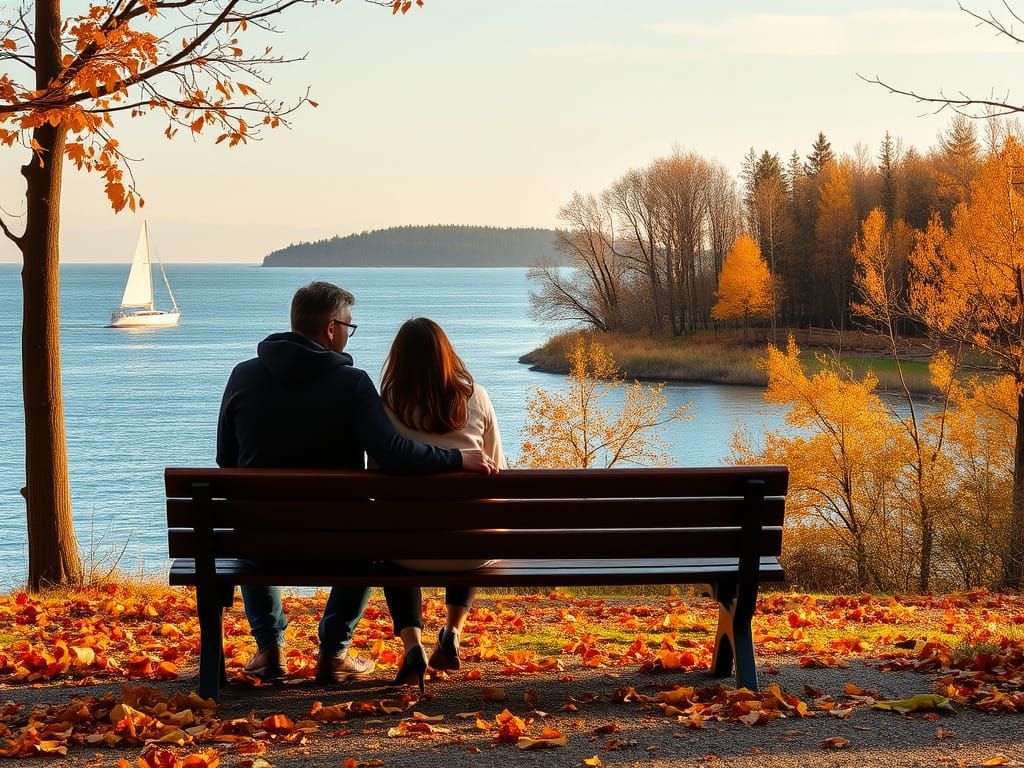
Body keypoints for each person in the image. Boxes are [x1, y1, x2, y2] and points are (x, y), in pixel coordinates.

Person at [216, 283, 495, 686]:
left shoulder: (243, 376)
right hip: (338, 542)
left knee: (255, 528)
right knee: (370, 546)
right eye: (349, 326)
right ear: (331, 329)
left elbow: (226, 458)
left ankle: (270, 649)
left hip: (259, 540)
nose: (349, 333)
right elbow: (394, 452)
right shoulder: (351, 384)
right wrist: (456, 457)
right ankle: (333, 653)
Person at [376, 317, 507, 691]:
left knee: (394, 544)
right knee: (466, 525)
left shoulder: (386, 407)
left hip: (406, 552)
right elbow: (498, 466)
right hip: (471, 550)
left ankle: (413, 647)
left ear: (397, 360)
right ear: (447, 355)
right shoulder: (476, 397)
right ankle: (451, 632)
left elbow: (379, 475)